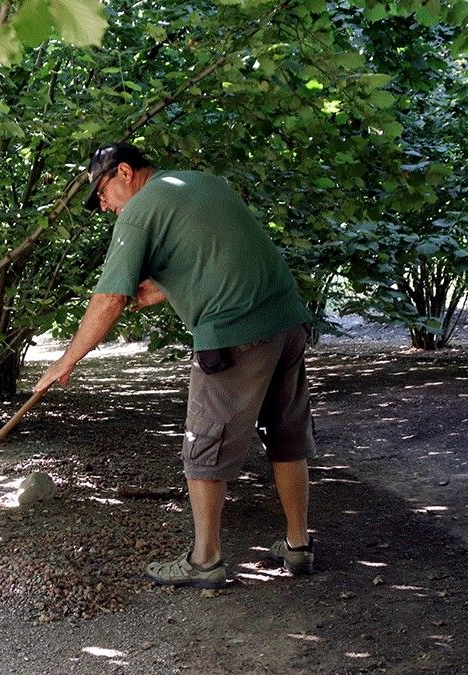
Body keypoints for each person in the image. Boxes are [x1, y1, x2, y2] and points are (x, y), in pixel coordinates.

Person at [33, 142, 317, 587]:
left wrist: (65, 361)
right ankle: (298, 545)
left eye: (102, 193)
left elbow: (109, 298)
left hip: (233, 335)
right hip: (287, 321)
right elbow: (218, 255)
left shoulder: (140, 210)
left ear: (124, 172)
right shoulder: (206, 183)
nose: (103, 206)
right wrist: (165, 287)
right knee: (287, 434)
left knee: (203, 444)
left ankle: (206, 560)